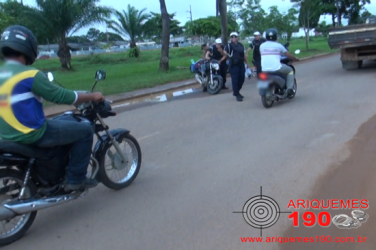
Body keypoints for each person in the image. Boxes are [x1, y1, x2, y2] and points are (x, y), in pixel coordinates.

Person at [0, 25, 105, 192]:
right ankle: (75, 178)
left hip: (5, 136)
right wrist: (92, 96)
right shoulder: (30, 74)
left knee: (62, 122)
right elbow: (61, 96)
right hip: (33, 134)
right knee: (85, 130)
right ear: (29, 49)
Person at [260, 28, 299, 96]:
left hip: (264, 69)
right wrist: (295, 59)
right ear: (276, 37)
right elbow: (288, 55)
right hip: (276, 68)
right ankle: (289, 89)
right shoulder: (279, 45)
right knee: (290, 70)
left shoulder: (261, 46)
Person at [225, 31, 246, 102]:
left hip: (241, 63)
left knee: (242, 79)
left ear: (237, 37)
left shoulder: (241, 45)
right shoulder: (229, 45)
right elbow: (225, 52)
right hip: (234, 65)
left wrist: (248, 65)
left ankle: (237, 92)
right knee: (235, 80)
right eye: (232, 37)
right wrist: (228, 56)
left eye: (235, 37)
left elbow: (244, 55)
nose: (233, 38)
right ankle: (237, 94)